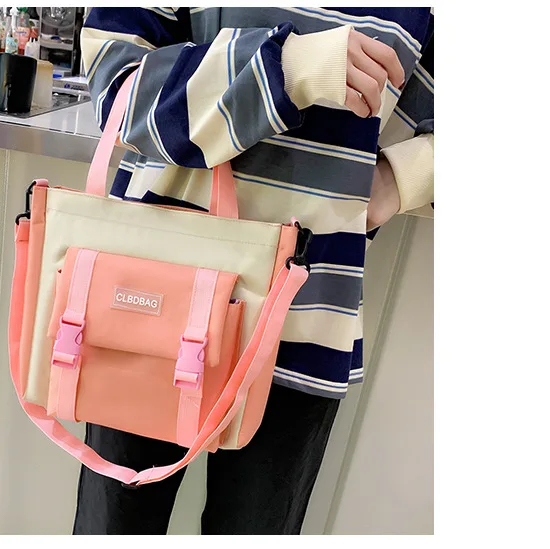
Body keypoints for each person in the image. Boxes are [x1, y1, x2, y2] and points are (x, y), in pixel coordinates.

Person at [75, 6, 434, 535]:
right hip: (155, 297)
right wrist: (286, 68)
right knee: (115, 530)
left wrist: (403, 176)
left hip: (304, 313)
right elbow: (120, 89)